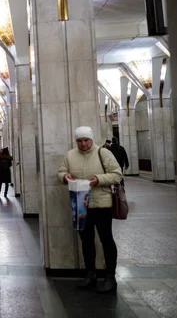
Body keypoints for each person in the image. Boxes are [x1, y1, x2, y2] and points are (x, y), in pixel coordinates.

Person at [58, 126, 122, 294]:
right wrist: (65, 177)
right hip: (81, 205)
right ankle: (90, 274)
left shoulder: (103, 153)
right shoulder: (70, 155)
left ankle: (109, 277)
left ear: (92, 139)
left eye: (86, 140)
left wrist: (98, 179)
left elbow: (117, 174)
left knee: (106, 239)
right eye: (79, 141)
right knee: (86, 241)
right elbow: (61, 172)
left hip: (102, 204)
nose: (83, 144)